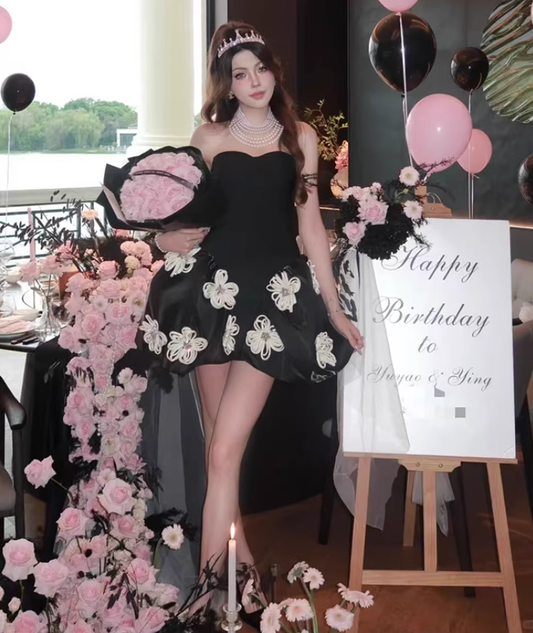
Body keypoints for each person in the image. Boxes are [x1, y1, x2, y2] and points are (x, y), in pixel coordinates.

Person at [138, 21, 363, 621]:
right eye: (240, 75)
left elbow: (310, 225)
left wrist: (334, 308)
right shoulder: (208, 137)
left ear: (273, 71)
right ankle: (240, 580)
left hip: (273, 305)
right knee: (221, 449)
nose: (254, 81)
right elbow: (182, 215)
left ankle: (206, 597)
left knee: (223, 451)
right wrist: (163, 237)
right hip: (210, 298)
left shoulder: (301, 137)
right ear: (228, 84)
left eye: (260, 68)